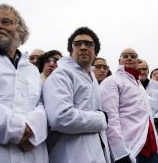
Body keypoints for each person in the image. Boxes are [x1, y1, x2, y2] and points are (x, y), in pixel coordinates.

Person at [0, 4, 48, 163]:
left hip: (32, 152)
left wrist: (34, 130)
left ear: (21, 31)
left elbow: (43, 105)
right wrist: (18, 130)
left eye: (6, 22)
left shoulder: (32, 70)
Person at [43, 27, 111, 163]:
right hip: (71, 154)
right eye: (78, 44)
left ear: (95, 52)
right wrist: (101, 118)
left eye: (89, 44)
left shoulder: (92, 78)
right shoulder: (61, 75)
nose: (83, 47)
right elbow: (60, 117)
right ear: (71, 51)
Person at [100, 48, 158, 163]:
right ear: (119, 60)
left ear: (137, 61)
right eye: (125, 56)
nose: (129, 58)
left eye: (133, 56)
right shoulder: (111, 81)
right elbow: (111, 118)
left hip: (151, 148)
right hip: (132, 150)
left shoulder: (138, 83)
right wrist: (120, 153)